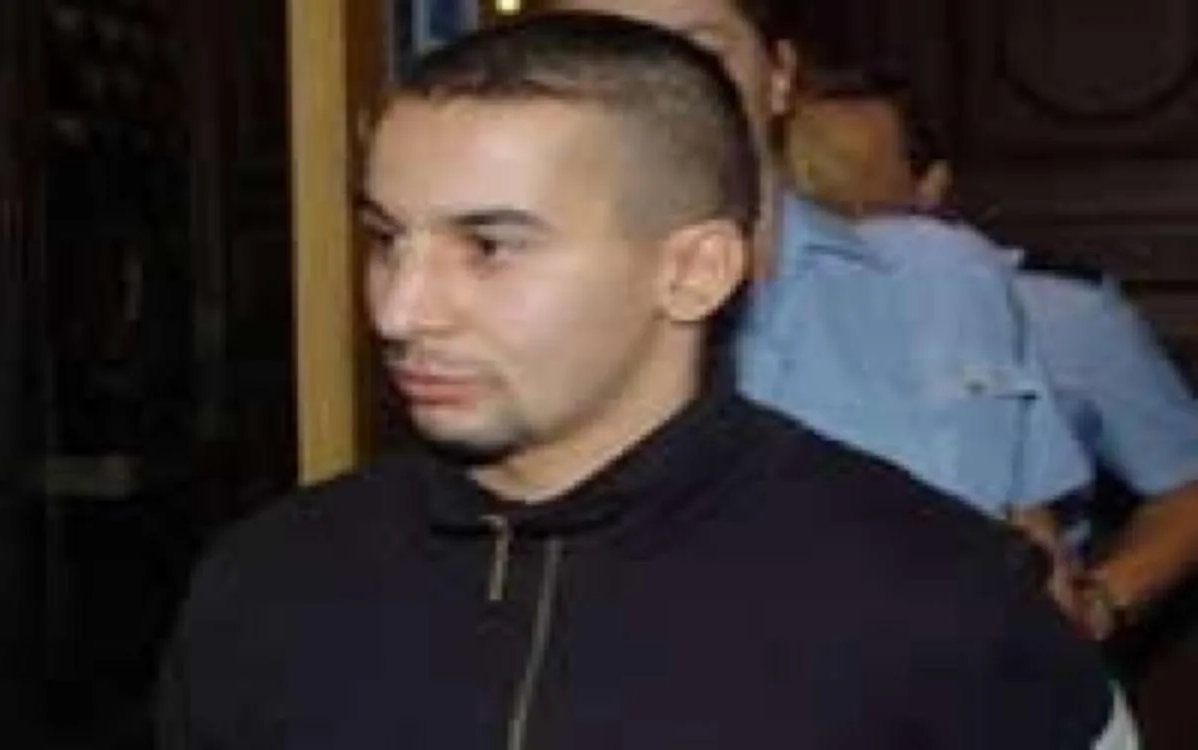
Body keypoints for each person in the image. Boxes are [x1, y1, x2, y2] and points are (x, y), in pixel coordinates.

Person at [158, 14, 1128, 748]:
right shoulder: (270, 582)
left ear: (695, 270)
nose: (401, 310)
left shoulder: (938, 597)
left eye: (489, 246)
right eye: (386, 241)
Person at [529, 0, 1092, 518]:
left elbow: (1029, 535)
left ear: (779, 77)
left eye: (700, 51)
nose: (657, 90)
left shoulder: (940, 279)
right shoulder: (518, 321)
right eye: (605, 57)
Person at [784, 66, 1198, 640]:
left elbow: (1186, 486)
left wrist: (1099, 603)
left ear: (930, 186)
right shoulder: (736, 324)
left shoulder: (1055, 313)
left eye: (856, 187)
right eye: (806, 187)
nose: (831, 217)